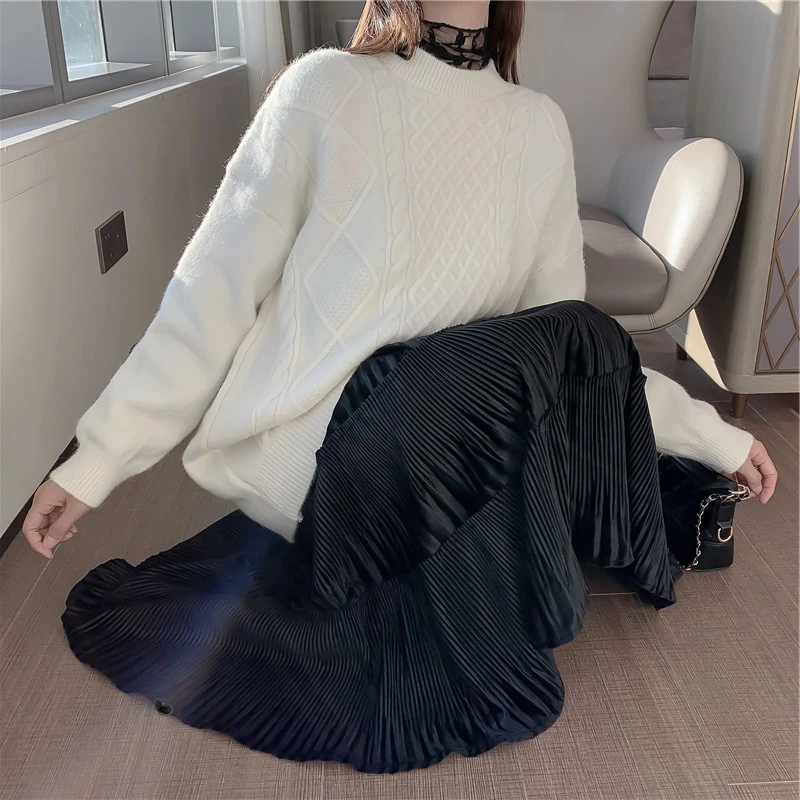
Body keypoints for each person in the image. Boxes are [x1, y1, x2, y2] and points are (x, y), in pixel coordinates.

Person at [22, 0, 777, 773]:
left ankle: (665, 488)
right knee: (536, 366)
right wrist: (97, 461)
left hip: (455, 447)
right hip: (339, 459)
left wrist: (714, 435)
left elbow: (566, 355)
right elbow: (210, 292)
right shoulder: (325, 87)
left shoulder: (538, 125)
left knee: (567, 335)